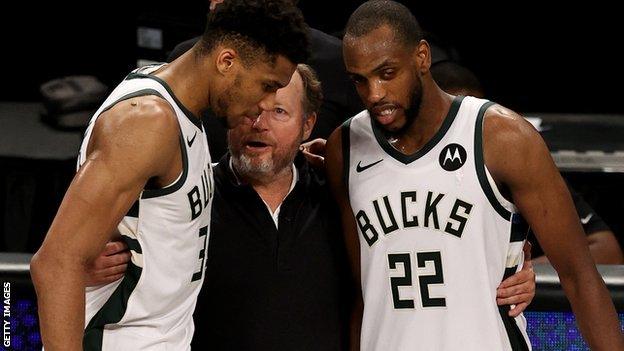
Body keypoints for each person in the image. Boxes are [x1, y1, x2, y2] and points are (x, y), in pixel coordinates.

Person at [87, 65, 537, 350]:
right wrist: (90, 272)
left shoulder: (345, 194)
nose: (257, 122)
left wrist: (506, 275)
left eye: (279, 113)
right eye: (248, 108)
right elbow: (120, 272)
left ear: (306, 126)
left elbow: (426, 253)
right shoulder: (190, 199)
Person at [324, 1, 624, 350]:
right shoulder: (344, 148)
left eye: (387, 73)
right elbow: (362, 292)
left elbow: (579, 276)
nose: (374, 94)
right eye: (360, 80)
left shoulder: (502, 137)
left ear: (421, 57)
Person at [29, 1, 310, 350]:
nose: (264, 104)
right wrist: (78, 263)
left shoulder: (182, 106)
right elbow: (55, 264)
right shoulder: (147, 122)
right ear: (226, 62)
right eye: (267, 85)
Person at [431, 60, 624, 264]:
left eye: (473, 117)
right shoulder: (403, 175)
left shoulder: (516, 166)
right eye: (453, 120)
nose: (464, 128)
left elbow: (606, 249)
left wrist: (523, 270)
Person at [166, 2, 363, 160]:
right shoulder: (155, 117)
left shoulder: (337, 59)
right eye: (267, 86)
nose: (264, 108)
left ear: (308, 125)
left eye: (279, 110)